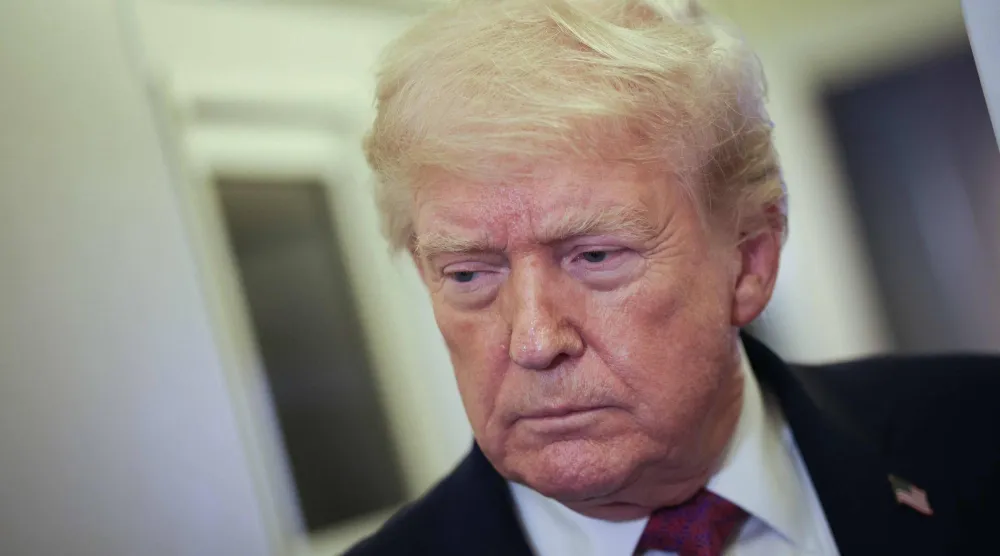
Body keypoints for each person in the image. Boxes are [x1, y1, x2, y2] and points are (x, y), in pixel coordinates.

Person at [346, 1, 1000, 554]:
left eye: (595, 257)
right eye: (467, 274)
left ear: (749, 258)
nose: (535, 341)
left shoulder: (978, 428)